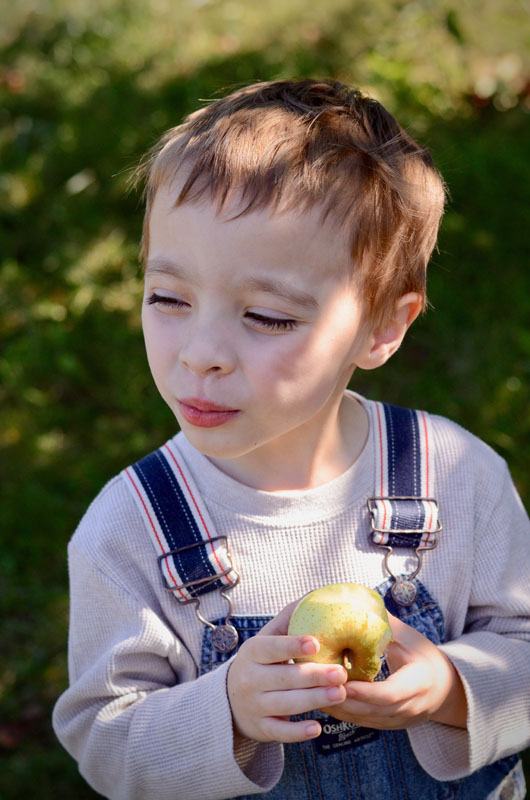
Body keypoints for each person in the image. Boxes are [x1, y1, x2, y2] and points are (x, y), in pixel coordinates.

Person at [52, 79, 530, 800]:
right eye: (168, 298)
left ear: (383, 329)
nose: (201, 352)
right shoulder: (132, 530)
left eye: (268, 316)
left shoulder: (456, 478)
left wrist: (456, 689)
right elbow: (107, 741)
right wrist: (229, 714)